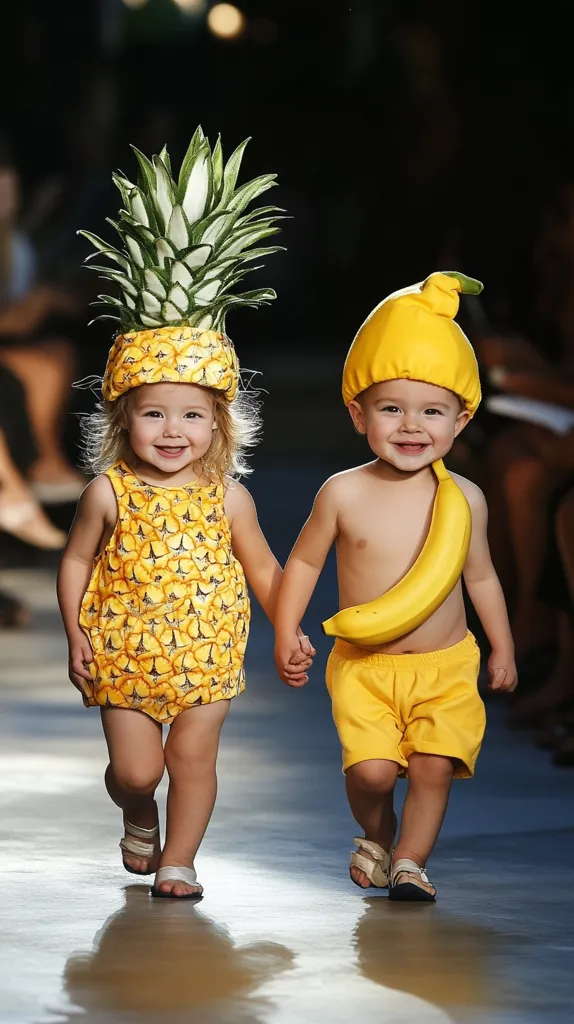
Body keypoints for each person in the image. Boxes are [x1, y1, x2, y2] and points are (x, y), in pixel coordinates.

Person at [57, 129, 314, 901]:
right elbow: (75, 561)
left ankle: (180, 858)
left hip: (208, 654)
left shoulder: (227, 496)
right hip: (123, 651)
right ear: (120, 421)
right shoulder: (110, 492)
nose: (173, 432)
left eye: (193, 416)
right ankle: (138, 811)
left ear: (223, 425)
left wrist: (288, 625)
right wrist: (75, 634)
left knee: (193, 760)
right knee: (140, 768)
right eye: (153, 415)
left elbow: (264, 566)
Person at [274, 272, 517, 902]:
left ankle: (412, 861)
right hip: (365, 668)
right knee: (373, 773)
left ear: (462, 419)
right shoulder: (343, 492)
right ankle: (377, 835)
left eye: (432, 411)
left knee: (434, 767)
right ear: (358, 414)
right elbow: (301, 564)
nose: (412, 427)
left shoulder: (465, 500)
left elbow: (481, 574)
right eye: (391, 409)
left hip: (447, 665)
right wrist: (286, 627)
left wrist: (504, 648)